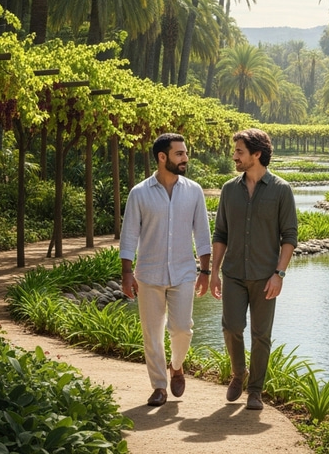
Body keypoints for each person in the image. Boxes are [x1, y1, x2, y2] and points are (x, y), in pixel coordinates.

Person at [119, 132, 211, 407]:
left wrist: (205, 272)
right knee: (152, 333)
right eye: (179, 154)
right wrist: (126, 273)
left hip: (184, 272)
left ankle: (177, 365)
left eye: (185, 153)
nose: (185, 158)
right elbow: (129, 235)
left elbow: (202, 234)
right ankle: (159, 386)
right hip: (149, 274)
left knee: (182, 329)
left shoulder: (194, 191)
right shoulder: (139, 193)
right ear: (162, 157)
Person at [209, 128, 298, 411]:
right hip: (233, 273)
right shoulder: (228, 190)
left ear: (256, 154)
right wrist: (213, 272)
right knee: (231, 327)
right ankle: (239, 373)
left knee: (261, 336)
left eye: (239, 151)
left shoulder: (281, 190)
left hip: (265, 277)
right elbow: (220, 233)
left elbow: (289, 237)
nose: (234, 156)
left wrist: (279, 274)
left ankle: (256, 391)